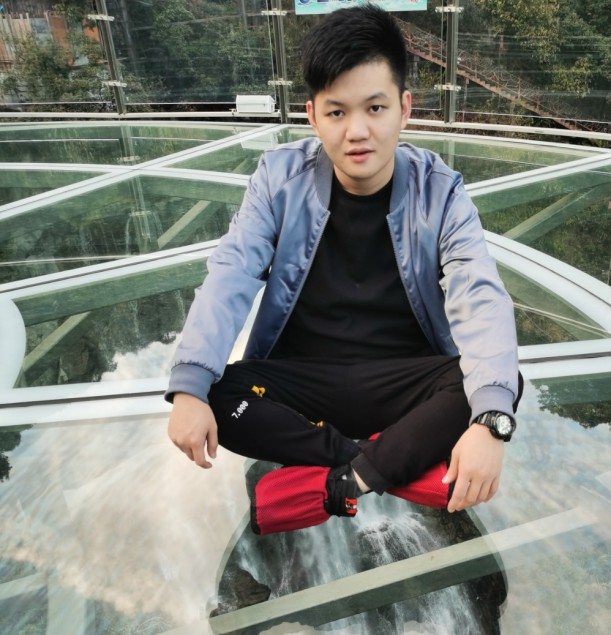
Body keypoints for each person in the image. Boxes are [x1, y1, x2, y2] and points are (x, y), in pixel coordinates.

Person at [166, 4, 521, 536]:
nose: (358, 131)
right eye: (337, 113)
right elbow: (231, 272)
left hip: (402, 384)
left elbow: (480, 295)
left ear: (404, 108)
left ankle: (343, 481)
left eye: (375, 108)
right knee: (215, 390)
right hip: (304, 382)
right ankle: (382, 465)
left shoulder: (440, 190)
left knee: (493, 384)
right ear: (312, 117)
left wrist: (491, 423)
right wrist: (189, 390)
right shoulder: (278, 178)